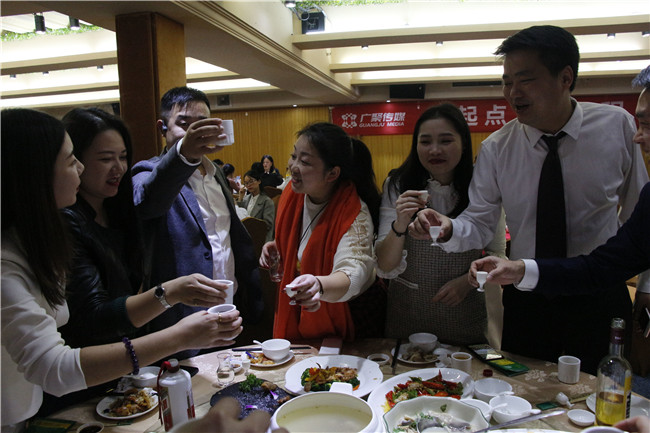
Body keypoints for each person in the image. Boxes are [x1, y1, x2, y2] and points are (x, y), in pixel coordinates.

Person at [409, 25, 648, 374]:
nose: (512, 92)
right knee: (524, 387)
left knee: (603, 389)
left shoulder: (619, 127)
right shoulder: (497, 148)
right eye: (507, 81)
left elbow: (641, 213)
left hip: (600, 290)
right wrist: (448, 228)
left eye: (525, 80)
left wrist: (645, 286)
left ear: (565, 77)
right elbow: (479, 222)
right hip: (526, 290)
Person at [1, 108, 241, 432]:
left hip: (31, 404)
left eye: (122, 156)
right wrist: (180, 334)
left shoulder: (39, 237)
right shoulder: (8, 264)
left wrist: (171, 292)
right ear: (36, 174)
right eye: (72, 160)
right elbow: (55, 366)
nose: (82, 168)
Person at [132, 86, 263, 358]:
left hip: (228, 305)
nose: (195, 133)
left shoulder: (215, 174)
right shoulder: (148, 173)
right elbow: (148, 204)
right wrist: (184, 155)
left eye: (202, 125)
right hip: (181, 317)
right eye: (184, 124)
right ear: (162, 127)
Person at [375, 103, 506, 345]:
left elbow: (498, 254)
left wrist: (467, 283)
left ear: (464, 143)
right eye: (425, 142)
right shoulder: (398, 184)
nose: (435, 150)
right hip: (408, 313)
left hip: (464, 314)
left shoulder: (482, 184)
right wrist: (400, 223)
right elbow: (384, 264)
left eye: (446, 141)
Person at [259, 123, 380, 341]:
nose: (293, 166)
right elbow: (306, 239)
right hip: (305, 303)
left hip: (350, 311)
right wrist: (282, 245)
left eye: (304, 161)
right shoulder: (293, 194)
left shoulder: (353, 213)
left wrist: (319, 284)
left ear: (332, 173)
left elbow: (353, 272)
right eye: (293, 156)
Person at [237, 170, 275, 242]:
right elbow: (240, 214)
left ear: (259, 181)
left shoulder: (267, 201)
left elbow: (267, 225)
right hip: (247, 235)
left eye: (251, 181)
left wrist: (250, 224)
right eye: (246, 183)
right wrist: (240, 197)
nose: (248, 185)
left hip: (261, 238)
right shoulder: (247, 198)